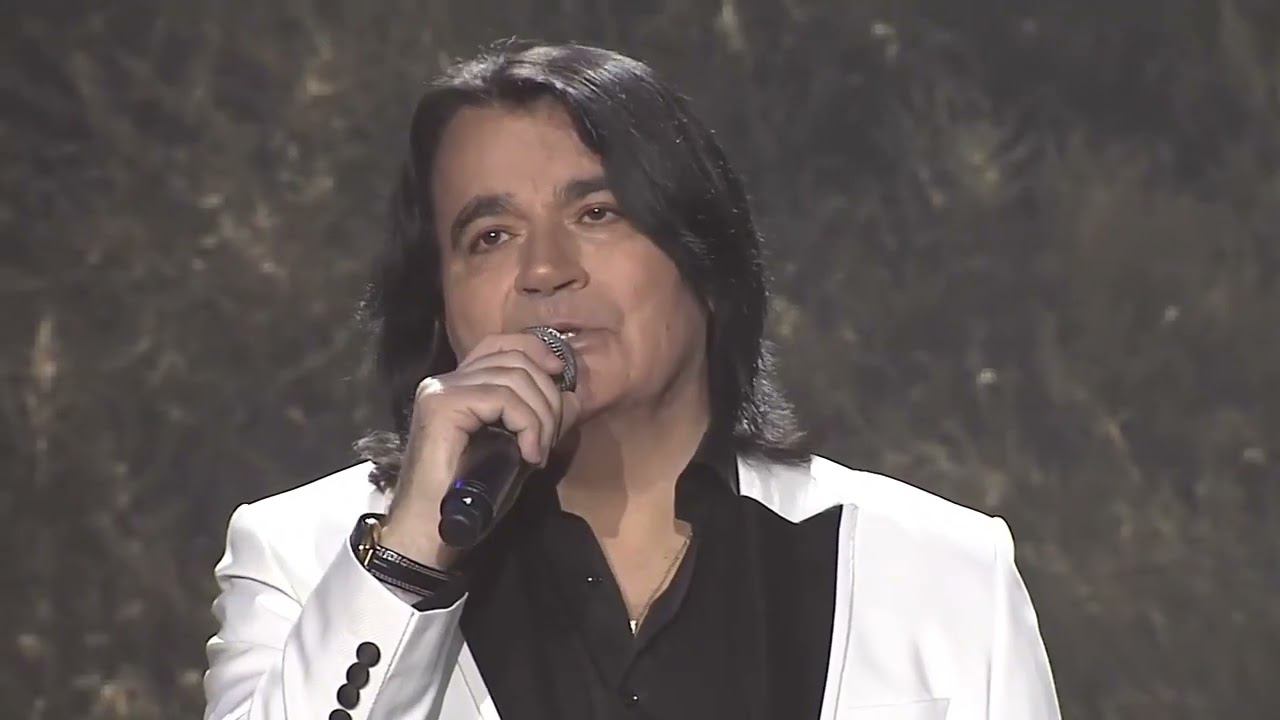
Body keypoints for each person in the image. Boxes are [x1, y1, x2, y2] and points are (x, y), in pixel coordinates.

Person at [202, 42, 1061, 720]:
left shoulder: (941, 573)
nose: (545, 270)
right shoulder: (303, 557)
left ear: (705, 259)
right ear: (440, 302)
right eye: (491, 237)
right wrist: (409, 558)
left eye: (597, 214)